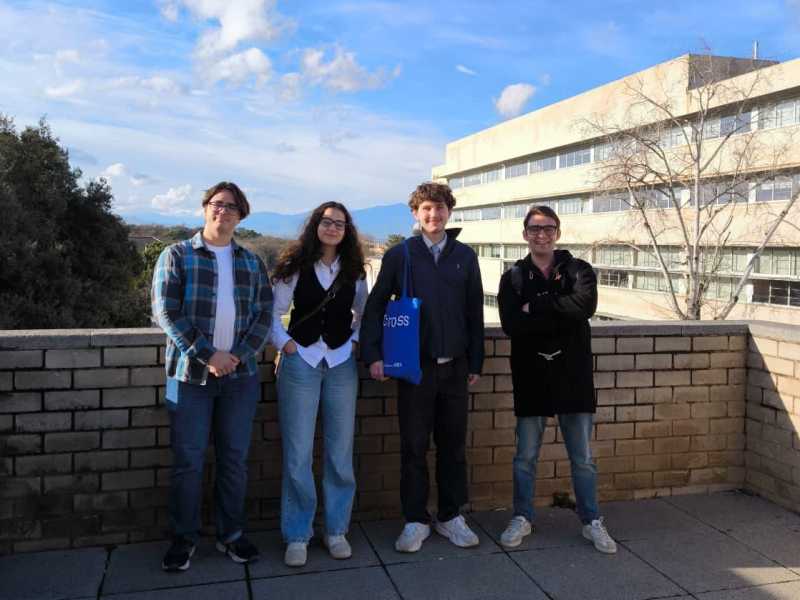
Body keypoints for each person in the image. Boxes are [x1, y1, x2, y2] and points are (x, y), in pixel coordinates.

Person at [152, 181, 272, 571]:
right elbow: (167, 312)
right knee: (188, 461)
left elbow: (264, 315)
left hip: (240, 377)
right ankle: (184, 539)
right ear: (205, 208)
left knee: (234, 460)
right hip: (190, 377)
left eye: (233, 207)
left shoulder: (251, 262)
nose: (224, 212)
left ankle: (231, 535)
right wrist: (209, 356)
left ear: (242, 215)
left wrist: (234, 356)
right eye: (218, 204)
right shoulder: (177, 255)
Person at [361, 182, 484, 553]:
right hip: (415, 368)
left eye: (441, 208)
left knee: (453, 446)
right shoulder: (401, 255)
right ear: (416, 214)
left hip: (456, 367)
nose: (434, 215)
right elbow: (377, 305)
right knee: (414, 446)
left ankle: (450, 517)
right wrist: (373, 355)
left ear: (450, 212)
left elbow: (474, 312)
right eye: (427, 209)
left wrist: (475, 360)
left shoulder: (465, 255)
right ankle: (415, 520)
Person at [496, 204, 617, 554]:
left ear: (558, 233)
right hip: (531, 374)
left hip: (573, 375)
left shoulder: (579, 270)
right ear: (525, 235)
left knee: (582, 457)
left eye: (548, 228)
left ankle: (591, 520)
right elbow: (511, 325)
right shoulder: (513, 277)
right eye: (534, 229)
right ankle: (522, 516)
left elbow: (585, 307)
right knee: (525, 456)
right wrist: (558, 309)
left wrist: (536, 306)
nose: (541, 234)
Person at [270, 202, 367, 567]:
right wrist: (286, 345)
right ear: (316, 225)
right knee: (297, 452)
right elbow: (271, 311)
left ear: (347, 230)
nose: (332, 228)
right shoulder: (295, 264)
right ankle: (297, 534)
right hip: (301, 363)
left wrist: (355, 342)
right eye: (327, 221)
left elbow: (365, 310)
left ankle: (336, 529)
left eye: (339, 223)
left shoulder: (355, 270)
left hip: (341, 362)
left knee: (339, 451)